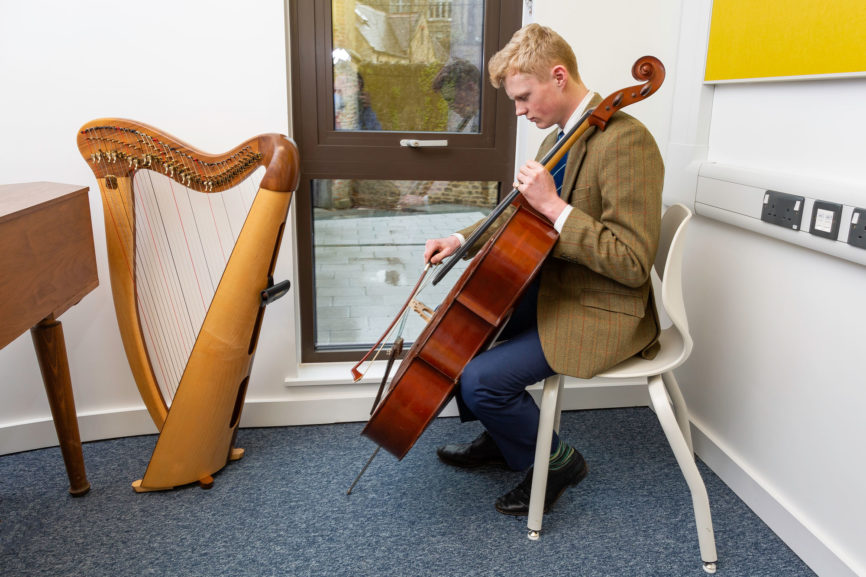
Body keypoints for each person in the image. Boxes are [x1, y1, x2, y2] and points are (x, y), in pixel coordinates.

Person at [423, 23, 664, 516]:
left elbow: (633, 263)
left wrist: (555, 208)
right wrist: (459, 240)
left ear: (558, 76)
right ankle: (507, 439)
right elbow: (519, 216)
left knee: (481, 380)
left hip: (601, 305)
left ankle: (558, 461)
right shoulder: (560, 138)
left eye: (524, 97)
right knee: (462, 338)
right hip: (556, 286)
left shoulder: (624, 142)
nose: (520, 111)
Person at [432, 58, 481, 132]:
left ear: (471, 88)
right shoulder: (477, 118)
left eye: (452, 99)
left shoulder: (488, 121)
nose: (450, 106)